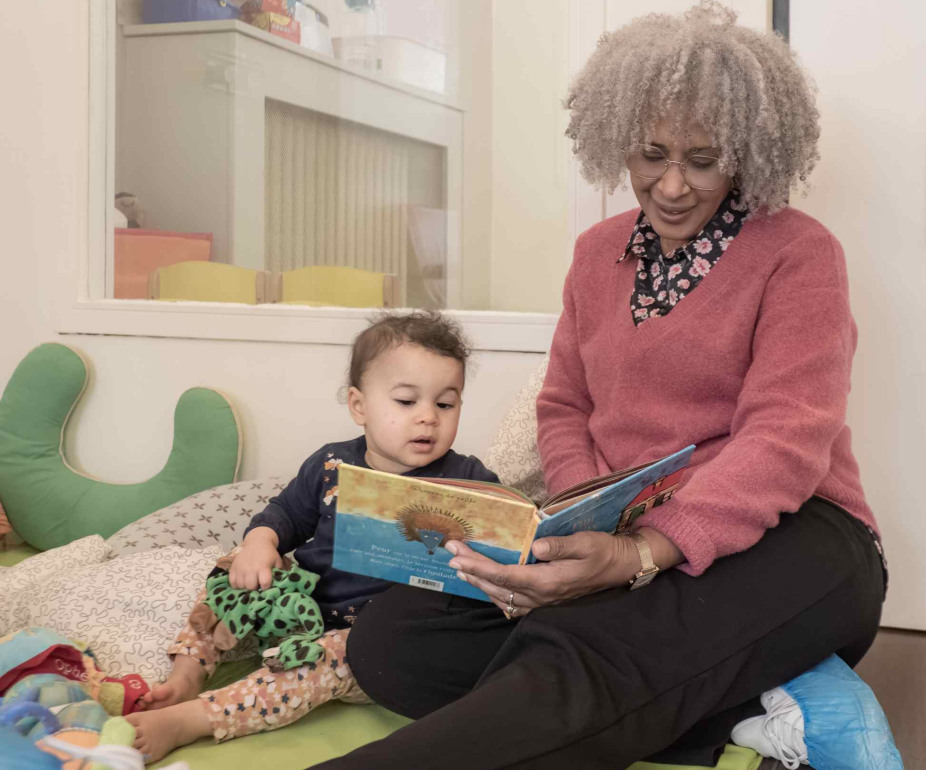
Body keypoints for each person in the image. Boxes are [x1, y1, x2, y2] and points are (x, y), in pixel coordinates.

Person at [314, 3, 887, 768]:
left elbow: (787, 438)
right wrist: (590, 528)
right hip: (628, 536)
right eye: (651, 154)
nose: (672, 185)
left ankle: (639, 676)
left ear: (750, 150)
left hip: (798, 537)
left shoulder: (800, 254)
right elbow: (567, 405)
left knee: (577, 649)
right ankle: (757, 704)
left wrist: (640, 555)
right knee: (393, 641)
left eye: (705, 160)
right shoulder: (596, 254)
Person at [126, 311, 499, 761]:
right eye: (406, 402)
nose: (427, 419)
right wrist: (260, 542)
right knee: (230, 569)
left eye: (445, 404)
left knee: (313, 663)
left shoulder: (470, 477)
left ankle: (195, 719)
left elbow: (503, 535)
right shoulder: (330, 465)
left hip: (372, 641)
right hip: (300, 604)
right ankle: (188, 672)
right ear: (360, 405)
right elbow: (283, 514)